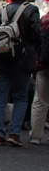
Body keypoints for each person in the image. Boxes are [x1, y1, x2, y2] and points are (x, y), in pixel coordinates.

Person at [0, 0, 42, 146]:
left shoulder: (2, 11)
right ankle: (14, 133)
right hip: (23, 59)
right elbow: (36, 34)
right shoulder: (31, 10)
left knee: (1, 96)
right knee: (20, 96)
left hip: (2, 58)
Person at [30, 10, 49, 144]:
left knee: (40, 101)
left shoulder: (45, 19)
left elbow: (37, 39)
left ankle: (35, 135)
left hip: (44, 65)